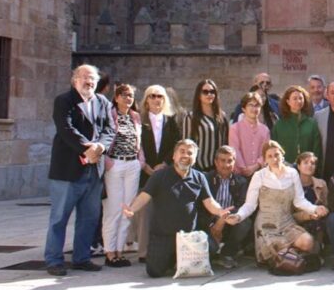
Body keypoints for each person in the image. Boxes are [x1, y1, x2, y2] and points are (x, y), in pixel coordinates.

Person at [122, 139, 237, 277]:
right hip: (163, 236)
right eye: (182, 151)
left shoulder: (199, 177)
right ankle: (173, 259)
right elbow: (144, 196)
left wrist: (220, 211)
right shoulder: (159, 176)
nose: (185, 155)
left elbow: (209, 202)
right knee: (154, 272)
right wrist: (132, 209)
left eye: (190, 153)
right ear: (174, 156)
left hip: (188, 236)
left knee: (212, 247)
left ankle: (180, 259)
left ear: (194, 159)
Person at [44, 64, 115, 277]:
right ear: (74, 80)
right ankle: (54, 260)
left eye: (92, 78)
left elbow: (109, 129)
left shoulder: (103, 101)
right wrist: (88, 148)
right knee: (59, 218)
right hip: (67, 170)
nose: (89, 82)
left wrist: (100, 147)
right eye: (84, 77)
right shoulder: (64, 101)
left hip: (94, 171)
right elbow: (65, 129)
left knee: (89, 217)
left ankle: (82, 258)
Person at [230, 140, 328, 266]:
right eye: (270, 156)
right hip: (266, 225)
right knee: (282, 252)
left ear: (282, 155)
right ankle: (289, 257)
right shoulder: (259, 176)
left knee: (308, 242)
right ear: (265, 160)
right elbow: (250, 204)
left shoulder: (292, 173)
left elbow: (300, 200)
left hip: (286, 221)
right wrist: (238, 216)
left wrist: (315, 208)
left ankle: (293, 258)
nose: (274, 159)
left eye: (276, 155)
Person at [136, 84, 181, 263]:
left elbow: (176, 144)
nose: (156, 99)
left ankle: (166, 251)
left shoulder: (171, 121)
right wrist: (145, 165)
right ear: (146, 101)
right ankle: (143, 252)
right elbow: (136, 144)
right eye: (152, 96)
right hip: (145, 171)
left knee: (164, 212)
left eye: (160, 96)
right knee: (145, 214)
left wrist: (165, 163)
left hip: (165, 172)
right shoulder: (139, 121)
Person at [102, 84, 144, 267]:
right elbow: (103, 137)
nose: (128, 99)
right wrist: (107, 161)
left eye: (132, 96)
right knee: (113, 210)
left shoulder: (135, 117)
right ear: (117, 97)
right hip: (115, 164)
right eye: (125, 95)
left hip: (132, 164)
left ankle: (120, 251)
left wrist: (140, 161)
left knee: (128, 209)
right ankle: (109, 251)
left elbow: (138, 141)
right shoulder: (110, 115)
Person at [202, 146, 252, 269]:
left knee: (245, 221)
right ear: (216, 162)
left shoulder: (241, 182)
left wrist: (222, 219)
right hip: (209, 220)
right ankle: (211, 251)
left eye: (230, 161)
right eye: (222, 160)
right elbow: (201, 205)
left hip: (229, 221)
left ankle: (227, 254)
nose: (226, 164)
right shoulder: (206, 179)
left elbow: (241, 205)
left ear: (234, 162)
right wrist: (216, 221)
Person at [181, 79, 229, 172]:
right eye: (205, 92)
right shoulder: (191, 117)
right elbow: (186, 144)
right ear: (199, 95)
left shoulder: (222, 116)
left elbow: (225, 141)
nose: (209, 94)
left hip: (219, 169)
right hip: (199, 168)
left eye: (212, 92)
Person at [272, 85, 323, 169]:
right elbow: (275, 148)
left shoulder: (311, 123)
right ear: (288, 101)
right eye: (295, 98)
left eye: (300, 98)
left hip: (308, 168)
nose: (298, 101)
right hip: (285, 169)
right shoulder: (279, 125)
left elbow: (317, 148)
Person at [228, 92, 270, 177]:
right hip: (239, 175)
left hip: (260, 174)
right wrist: (244, 169)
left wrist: (255, 166)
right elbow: (235, 150)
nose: (254, 108)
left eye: (257, 105)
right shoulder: (235, 128)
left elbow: (266, 152)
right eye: (251, 105)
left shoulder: (265, 130)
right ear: (243, 108)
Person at [293, 151, 328, 244]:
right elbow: (289, 214)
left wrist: (323, 211)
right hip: (298, 222)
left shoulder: (322, 184)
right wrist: (308, 216)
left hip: (319, 221)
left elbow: (328, 206)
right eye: (305, 162)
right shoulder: (291, 186)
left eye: (312, 163)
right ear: (298, 166)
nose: (309, 165)